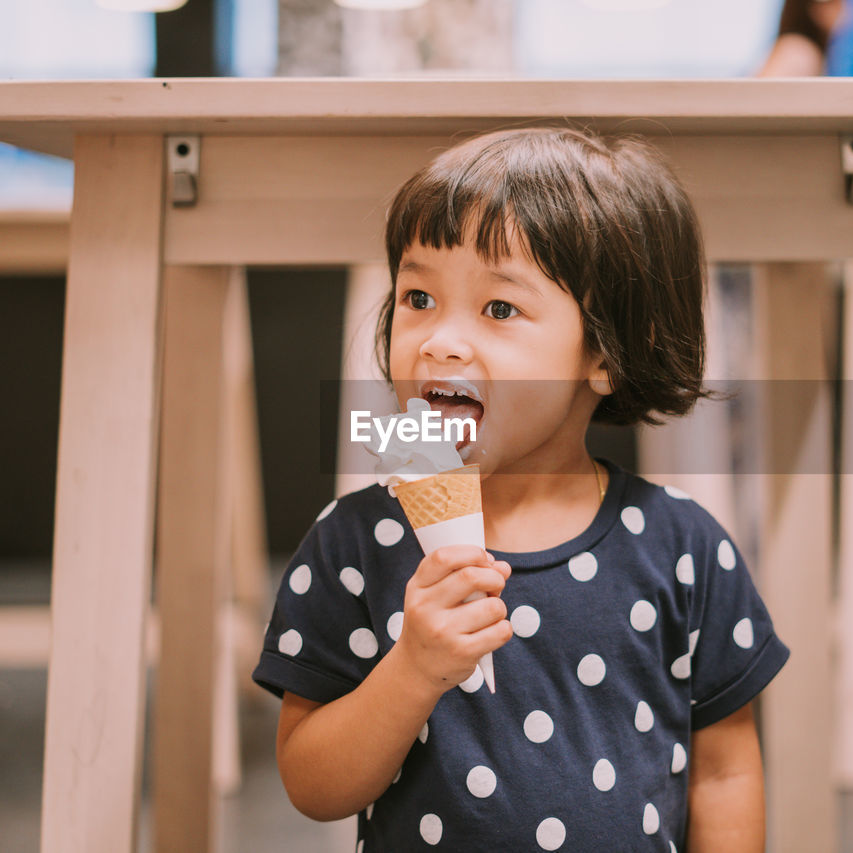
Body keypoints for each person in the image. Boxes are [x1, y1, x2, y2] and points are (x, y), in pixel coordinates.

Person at [253, 127, 789, 851]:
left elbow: (725, 773)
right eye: (418, 296)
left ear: (602, 351)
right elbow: (312, 783)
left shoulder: (683, 549)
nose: (439, 341)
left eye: (498, 309)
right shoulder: (357, 540)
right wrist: (411, 670)